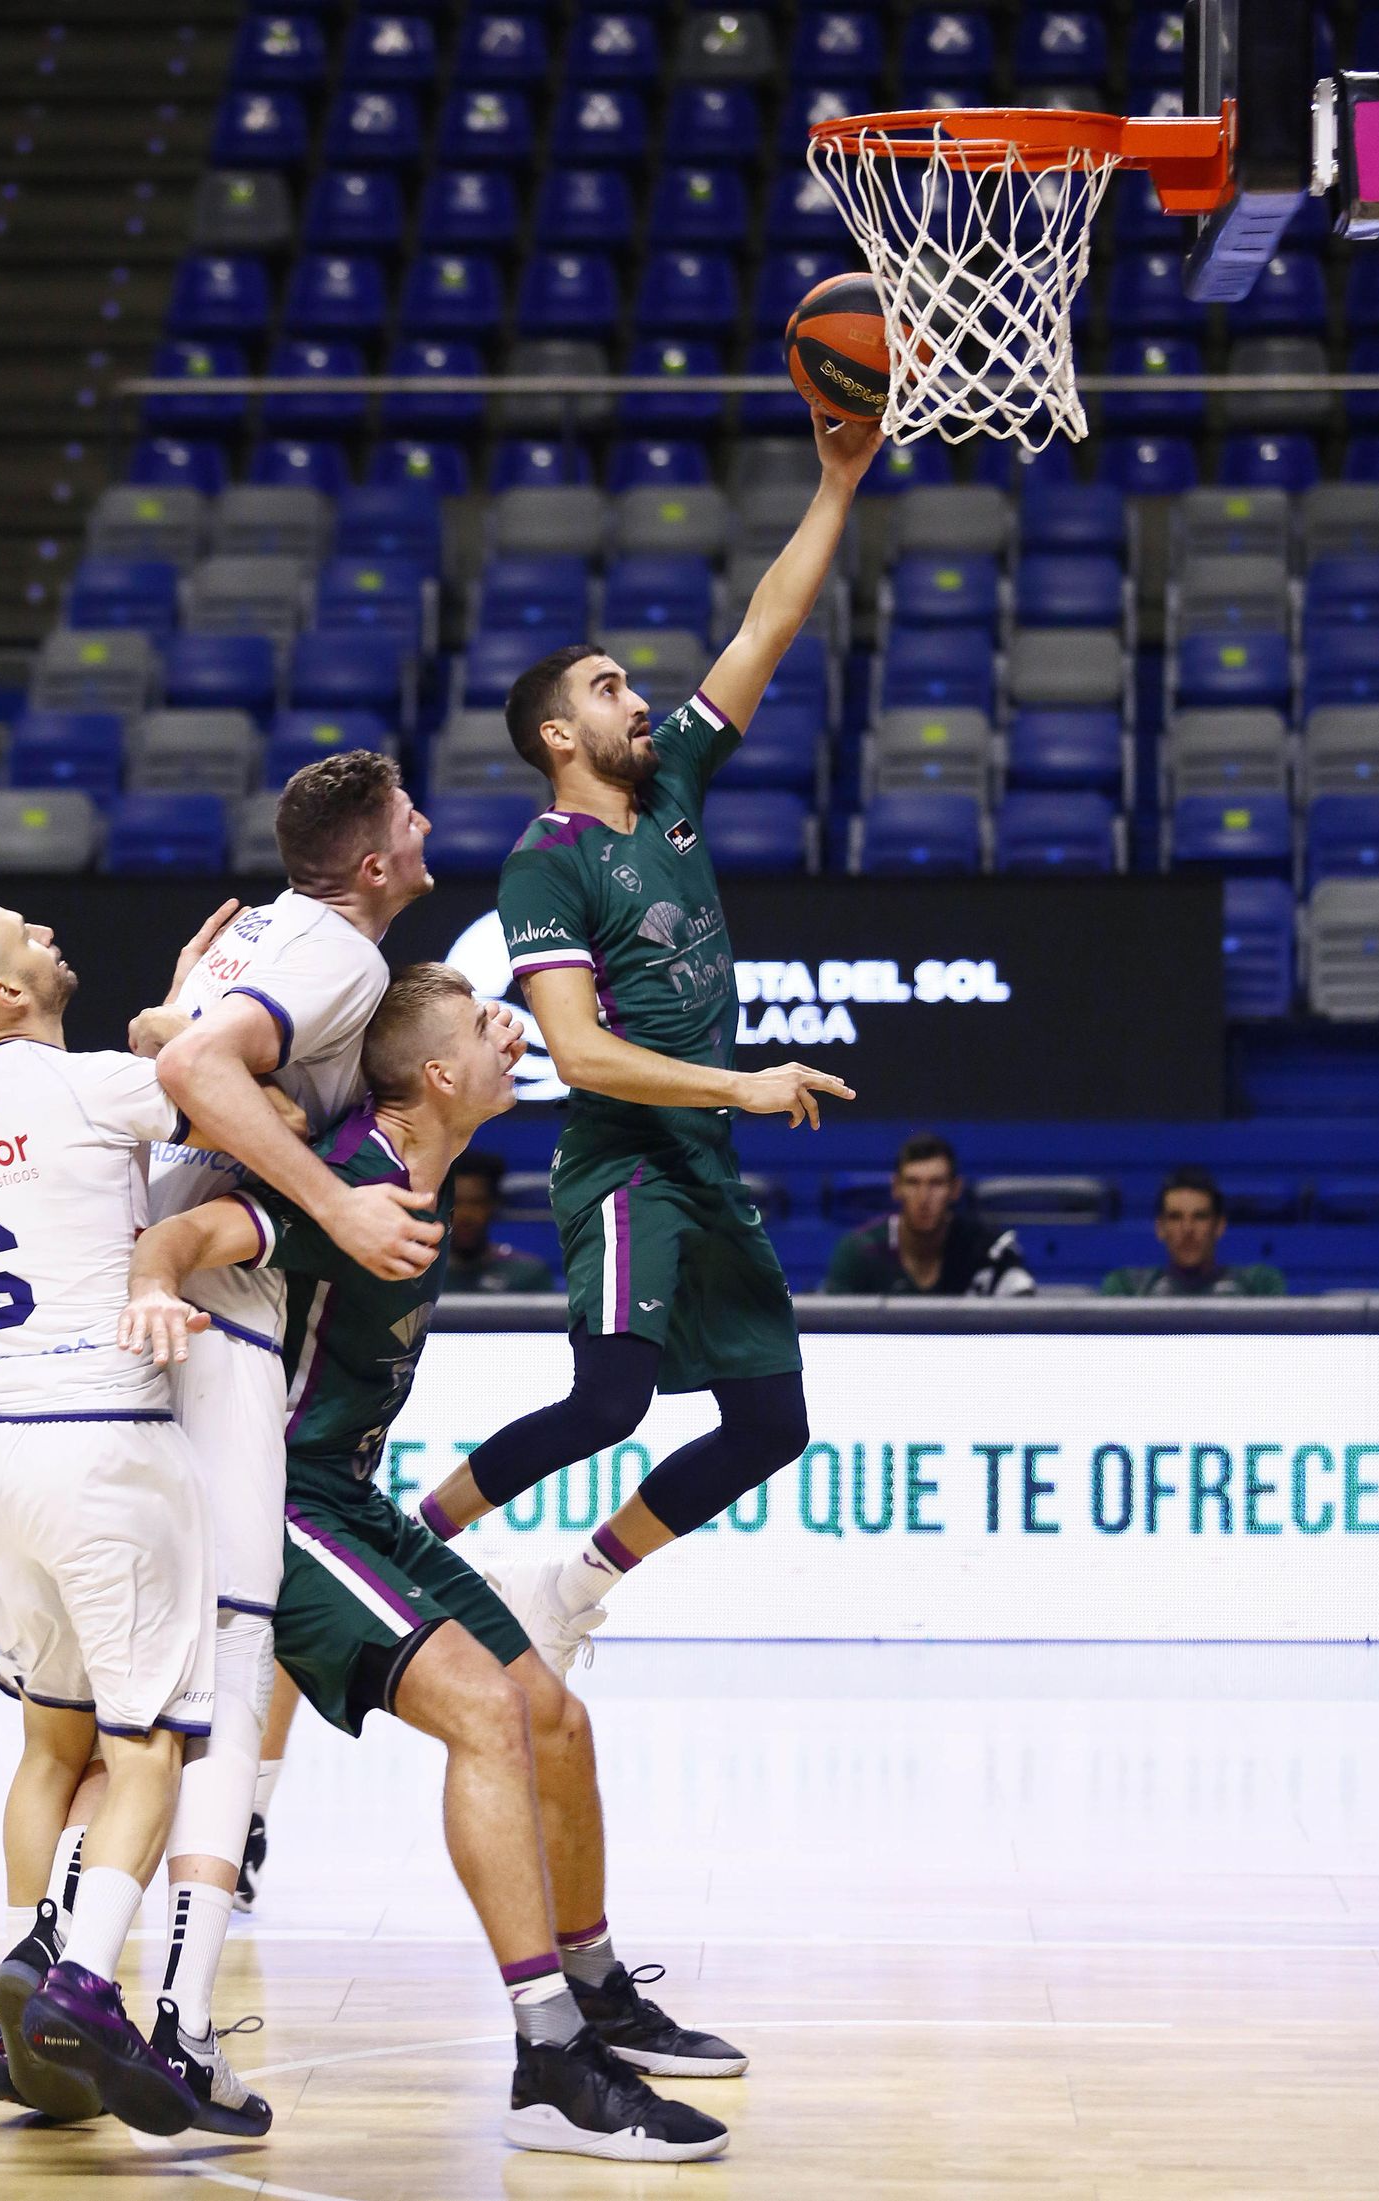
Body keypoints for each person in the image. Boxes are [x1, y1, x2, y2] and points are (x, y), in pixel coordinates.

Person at [121, 965, 738, 2164]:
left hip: (350, 1492)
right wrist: (150, 1285)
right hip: (277, 1502)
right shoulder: (352, 1177)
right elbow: (186, 1229)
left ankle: (597, 1984)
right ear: (438, 1076)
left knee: (554, 1717)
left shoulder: (416, 1165)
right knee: (489, 1713)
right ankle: (547, 2052)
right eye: (482, 1022)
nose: (514, 1026)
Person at [416, 407, 880, 1674]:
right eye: (608, 687)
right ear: (557, 734)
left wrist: (837, 481)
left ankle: (573, 1582)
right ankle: (405, 1541)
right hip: (625, 1156)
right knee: (606, 1400)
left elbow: (766, 626)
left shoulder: (668, 779)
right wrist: (742, 1082)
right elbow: (580, 1054)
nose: (640, 698)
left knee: (770, 1424)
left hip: (699, 1159)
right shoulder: (542, 865)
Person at [126, 757, 524, 2119]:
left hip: (258, 1436)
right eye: (409, 819)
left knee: (136, 1717)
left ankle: (62, 1966)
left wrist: (180, 1028)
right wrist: (323, 1203)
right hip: (233, 1404)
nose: (427, 828)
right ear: (369, 864)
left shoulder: (291, 958)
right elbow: (188, 1081)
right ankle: (155, 2007)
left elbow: (174, 1054)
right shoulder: (347, 966)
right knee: (224, 1698)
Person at [0, 901, 230, 2139]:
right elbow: (244, 1108)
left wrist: (161, 1038)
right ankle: (87, 1987)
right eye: (23, 932)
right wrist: (178, 1021)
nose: (45, 929)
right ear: (6, 995)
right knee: (149, 1745)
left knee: (54, 1742)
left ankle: (30, 1964)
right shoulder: (97, 1084)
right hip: (97, 1437)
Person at [823, 1132, 1035, 1297]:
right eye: (913, 1183)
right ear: (896, 1187)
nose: (924, 1197)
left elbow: (1024, 1325)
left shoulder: (990, 1251)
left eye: (936, 1183)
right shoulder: (860, 1251)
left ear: (955, 1189)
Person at [1101, 1167, 1287, 1297]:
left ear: (1219, 1226)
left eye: (1199, 1217)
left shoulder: (1257, 1286)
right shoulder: (1130, 1289)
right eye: (1175, 1217)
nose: (1187, 1229)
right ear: (1160, 1228)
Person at [445, 1152, 556, 1294]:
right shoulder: (421, 1276)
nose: (466, 1215)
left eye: (477, 1203)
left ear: (494, 1205)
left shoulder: (527, 1275)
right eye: (456, 1203)